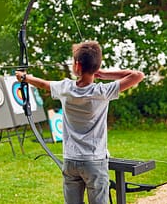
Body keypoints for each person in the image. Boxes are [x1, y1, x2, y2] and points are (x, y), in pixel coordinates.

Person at [16, 41, 144, 204]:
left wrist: (25, 77)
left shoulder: (65, 88)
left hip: (71, 160)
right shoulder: (102, 92)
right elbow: (138, 75)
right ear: (95, 67)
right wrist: (104, 74)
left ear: (77, 65)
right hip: (94, 161)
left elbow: (42, 83)